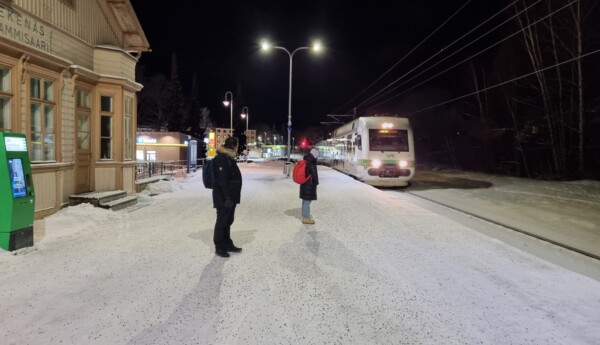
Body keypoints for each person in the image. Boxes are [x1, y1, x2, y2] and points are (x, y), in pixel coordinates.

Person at [212, 137, 243, 258]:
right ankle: (219, 246)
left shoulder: (229, 157)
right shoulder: (222, 158)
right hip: (224, 197)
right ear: (233, 145)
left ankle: (227, 243)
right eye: (236, 145)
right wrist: (227, 197)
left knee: (228, 220)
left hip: (231, 196)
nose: (237, 147)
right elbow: (222, 180)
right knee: (222, 221)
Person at [299, 148, 319, 224]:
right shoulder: (311, 163)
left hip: (304, 184)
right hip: (309, 184)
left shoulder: (306, 161)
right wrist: (316, 183)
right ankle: (305, 218)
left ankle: (305, 214)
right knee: (307, 200)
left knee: (305, 199)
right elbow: (314, 176)